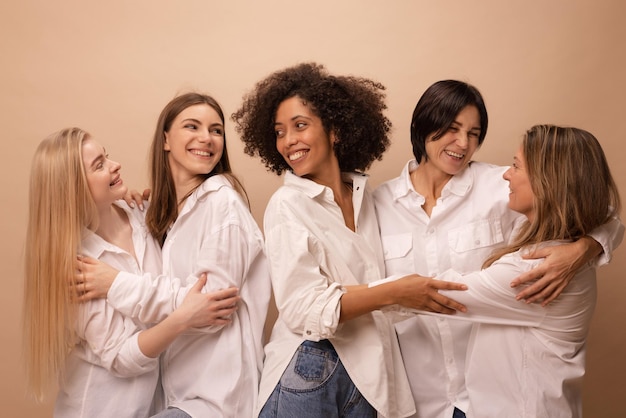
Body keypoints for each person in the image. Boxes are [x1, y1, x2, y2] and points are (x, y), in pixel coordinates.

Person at [373, 80, 624, 418]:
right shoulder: (376, 206)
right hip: (420, 399)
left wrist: (584, 248)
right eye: (451, 129)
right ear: (423, 126)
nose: (463, 144)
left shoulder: (502, 185)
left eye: (474, 133)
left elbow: (594, 207)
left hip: (490, 397)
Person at [231, 62, 468, 418]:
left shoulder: (365, 196)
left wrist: (584, 242)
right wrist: (394, 292)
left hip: (370, 375)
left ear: (335, 130)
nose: (288, 141)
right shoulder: (287, 204)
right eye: (279, 131)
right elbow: (301, 308)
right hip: (309, 368)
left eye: (300, 125)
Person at [78, 93, 272, 417]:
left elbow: (210, 309)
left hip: (214, 401)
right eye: (192, 126)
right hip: (173, 398)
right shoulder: (162, 215)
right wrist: (125, 200)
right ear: (166, 139)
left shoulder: (223, 206)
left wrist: (115, 284)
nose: (206, 139)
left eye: (216, 130)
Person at [23, 127, 239, 417]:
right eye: (99, 165)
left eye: (107, 156)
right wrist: (183, 318)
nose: (115, 165)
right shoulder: (76, 268)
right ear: (73, 190)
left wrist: (161, 205)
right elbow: (122, 358)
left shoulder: (141, 214)